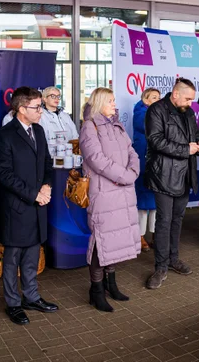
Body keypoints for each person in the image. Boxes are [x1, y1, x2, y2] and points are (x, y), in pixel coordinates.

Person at [0, 86, 59, 326]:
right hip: (17, 208)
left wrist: (47, 186)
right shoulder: (4, 135)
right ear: (21, 109)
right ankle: (13, 303)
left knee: (32, 255)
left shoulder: (39, 131)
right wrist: (34, 195)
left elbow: (47, 164)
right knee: (12, 260)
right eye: (37, 107)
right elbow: (4, 174)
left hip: (37, 206)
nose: (41, 111)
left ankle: (31, 297)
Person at [78, 87, 140, 312]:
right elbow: (96, 159)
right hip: (104, 193)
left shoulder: (116, 124)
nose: (115, 104)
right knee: (101, 241)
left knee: (115, 240)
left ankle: (110, 284)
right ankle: (96, 290)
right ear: (99, 103)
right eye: (110, 101)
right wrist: (125, 176)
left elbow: (132, 152)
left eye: (114, 100)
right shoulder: (89, 126)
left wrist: (133, 171)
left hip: (122, 191)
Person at [145, 79, 199, 289]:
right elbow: (155, 140)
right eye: (187, 98)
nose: (190, 103)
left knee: (177, 219)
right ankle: (160, 267)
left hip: (185, 174)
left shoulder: (187, 111)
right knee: (164, 221)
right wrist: (186, 149)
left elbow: (194, 135)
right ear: (175, 94)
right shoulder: (156, 110)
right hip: (164, 175)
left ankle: (173, 258)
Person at [133, 88, 161, 250]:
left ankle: (155, 234)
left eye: (159, 97)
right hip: (144, 163)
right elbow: (152, 127)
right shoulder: (140, 114)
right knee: (143, 204)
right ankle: (140, 236)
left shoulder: (156, 113)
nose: (158, 100)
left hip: (156, 163)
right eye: (154, 97)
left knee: (156, 203)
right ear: (145, 100)